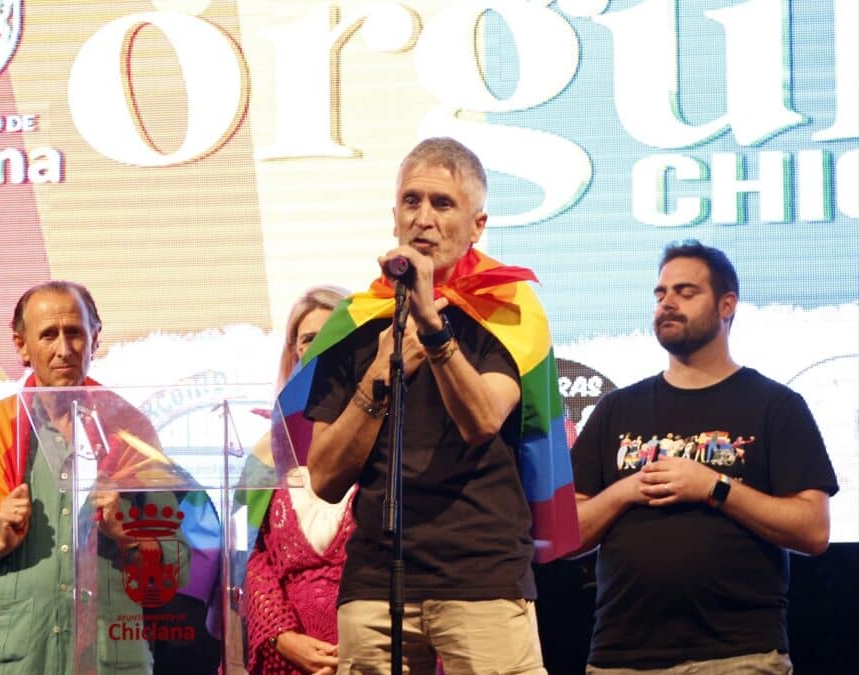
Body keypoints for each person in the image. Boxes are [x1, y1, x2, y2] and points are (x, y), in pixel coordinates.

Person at [303, 137, 578, 674]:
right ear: (394, 217)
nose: (423, 218)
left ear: (477, 225)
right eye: (412, 201)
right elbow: (325, 477)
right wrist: (380, 374)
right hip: (375, 581)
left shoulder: (506, 308)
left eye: (442, 204)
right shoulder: (358, 322)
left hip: (481, 575)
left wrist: (432, 327)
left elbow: (481, 421)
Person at [570, 241, 837, 673]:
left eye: (685, 292)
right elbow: (565, 536)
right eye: (660, 295)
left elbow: (813, 530)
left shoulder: (775, 405)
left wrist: (713, 487)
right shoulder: (617, 409)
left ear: (727, 305)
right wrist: (624, 491)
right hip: (621, 657)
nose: (667, 304)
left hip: (738, 655)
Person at [0, 281, 195, 674]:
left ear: (95, 338)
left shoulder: (131, 432)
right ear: (21, 346)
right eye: (48, 335)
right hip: (6, 665)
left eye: (75, 333)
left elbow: (178, 567)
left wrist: (126, 534)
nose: (64, 350)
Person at [245, 285, 355, 675]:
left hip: (374, 647)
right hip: (288, 660)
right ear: (293, 352)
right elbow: (253, 560)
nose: (321, 348)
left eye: (336, 335)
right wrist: (281, 635)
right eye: (309, 338)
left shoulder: (387, 441)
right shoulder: (266, 454)